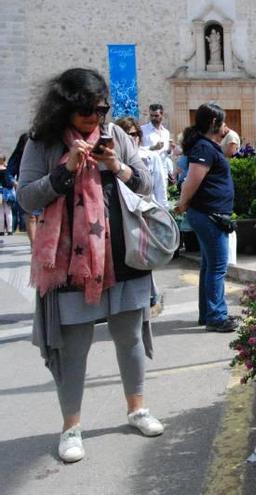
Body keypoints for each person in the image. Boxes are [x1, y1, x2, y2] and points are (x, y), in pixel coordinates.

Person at [18, 68, 164, 464]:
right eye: (86, 111)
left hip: (124, 255)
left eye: (100, 109)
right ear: (65, 108)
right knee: (74, 348)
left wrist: (119, 167)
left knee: (129, 337)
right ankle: (71, 428)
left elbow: (147, 184)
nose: (95, 119)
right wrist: (65, 171)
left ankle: (137, 409)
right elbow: (28, 199)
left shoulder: (115, 135)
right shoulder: (43, 141)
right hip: (70, 264)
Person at [174, 103, 238, 334]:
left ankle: (209, 312)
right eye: (223, 122)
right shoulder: (204, 148)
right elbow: (193, 179)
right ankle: (216, 316)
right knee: (217, 267)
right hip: (210, 215)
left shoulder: (206, 146)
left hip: (209, 214)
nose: (226, 127)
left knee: (210, 265)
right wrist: (182, 203)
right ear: (213, 123)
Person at [114, 117, 171, 209]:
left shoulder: (151, 157)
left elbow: (159, 187)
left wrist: (164, 209)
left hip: (146, 208)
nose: (130, 137)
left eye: (134, 134)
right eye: (125, 134)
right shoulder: (113, 158)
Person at [0, 155, 14, 235]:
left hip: (0, 191)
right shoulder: (8, 169)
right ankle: (10, 230)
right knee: (8, 211)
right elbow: (10, 180)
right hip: (8, 191)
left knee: (0, 212)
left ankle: (1, 230)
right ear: (4, 160)